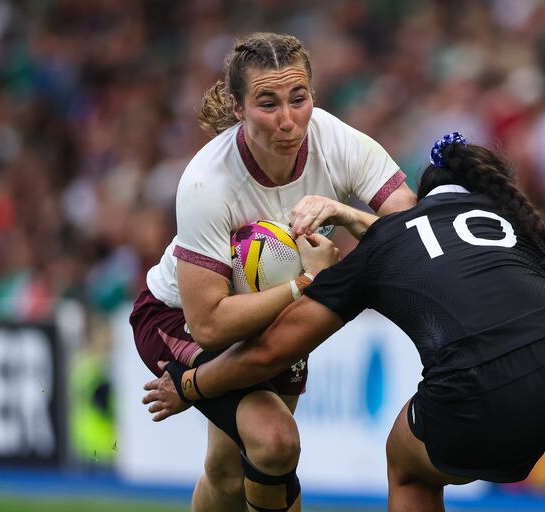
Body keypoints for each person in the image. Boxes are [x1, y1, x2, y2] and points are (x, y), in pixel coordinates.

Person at [143, 133, 545, 512]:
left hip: (483, 390)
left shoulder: (388, 243)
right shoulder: (513, 225)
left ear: (424, 192)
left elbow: (268, 352)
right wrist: (355, 215)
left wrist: (191, 384)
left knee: (408, 461)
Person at [129, 32, 416, 512]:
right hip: (177, 318)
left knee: (225, 471)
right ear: (238, 109)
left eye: (298, 99)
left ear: (312, 96)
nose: (288, 120)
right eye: (267, 103)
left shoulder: (336, 141)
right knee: (275, 442)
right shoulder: (206, 182)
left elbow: (411, 233)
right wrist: (305, 283)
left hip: (273, 313)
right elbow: (210, 324)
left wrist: (345, 215)